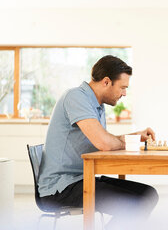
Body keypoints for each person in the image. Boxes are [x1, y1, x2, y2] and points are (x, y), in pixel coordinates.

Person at [38, 55, 158, 229]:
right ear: (107, 82)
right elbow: (105, 144)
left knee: (148, 194)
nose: (124, 93)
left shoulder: (97, 104)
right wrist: (129, 141)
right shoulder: (76, 97)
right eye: (123, 87)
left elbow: (105, 140)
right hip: (61, 187)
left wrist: (135, 137)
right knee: (138, 201)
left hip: (81, 178)